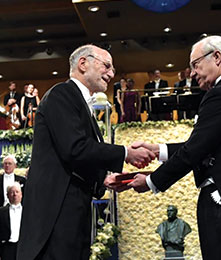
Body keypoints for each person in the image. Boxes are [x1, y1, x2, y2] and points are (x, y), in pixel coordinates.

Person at [128, 36, 221, 260]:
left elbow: (195, 150)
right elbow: (209, 146)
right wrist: (158, 150)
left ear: (216, 57)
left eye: (195, 65)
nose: (192, 73)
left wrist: (150, 182)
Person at [16, 44, 155, 260]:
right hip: (55, 215)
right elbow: (75, 148)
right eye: (107, 66)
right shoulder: (62, 94)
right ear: (83, 63)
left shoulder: (80, 102)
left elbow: (75, 161)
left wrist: (104, 179)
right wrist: (125, 153)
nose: (111, 74)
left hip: (73, 212)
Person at [0, 183, 23, 260]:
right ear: (7, 195)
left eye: (17, 192)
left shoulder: (27, 211)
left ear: (21, 194)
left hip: (24, 247)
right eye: (12, 192)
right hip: (7, 248)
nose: (15, 194)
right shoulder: (1, 212)